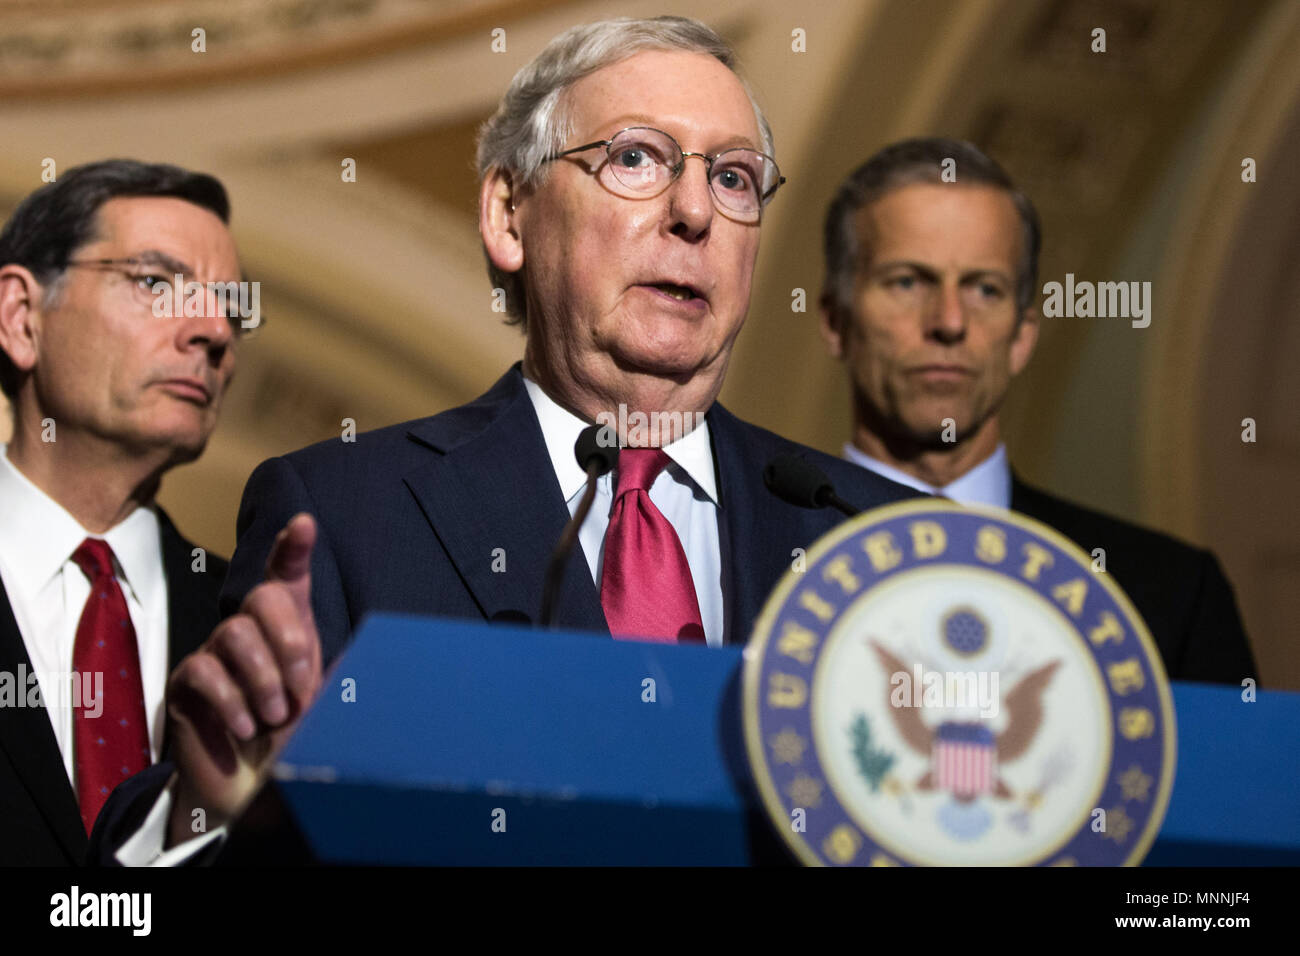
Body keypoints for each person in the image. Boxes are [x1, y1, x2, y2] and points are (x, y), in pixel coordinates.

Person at [91, 16, 916, 864]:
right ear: (509, 216)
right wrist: (211, 812)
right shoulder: (345, 517)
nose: (696, 211)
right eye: (635, 158)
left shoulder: (883, 542)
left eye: (736, 177)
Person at [817, 136, 1256, 685]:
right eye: (908, 281)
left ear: (1023, 336)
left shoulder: (1168, 593)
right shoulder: (752, 558)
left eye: (985, 289)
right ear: (836, 322)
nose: (950, 322)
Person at [0, 160, 247, 863]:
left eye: (233, 305)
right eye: (156, 284)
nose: (214, 332)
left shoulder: (252, 625)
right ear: (21, 318)